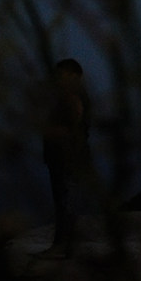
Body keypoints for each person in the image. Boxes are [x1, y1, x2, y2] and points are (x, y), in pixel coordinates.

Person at [40, 58, 91, 258]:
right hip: (64, 156)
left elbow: (73, 123)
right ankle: (63, 245)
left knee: (66, 201)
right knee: (65, 201)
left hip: (67, 157)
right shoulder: (71, 96)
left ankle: (63, 247)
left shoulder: (74, 96)